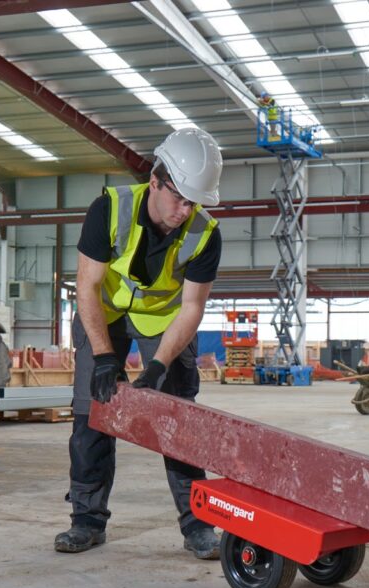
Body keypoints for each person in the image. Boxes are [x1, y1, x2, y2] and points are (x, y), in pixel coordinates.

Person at [54, 127, 224, 560]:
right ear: (156, 181)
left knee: (178, 419)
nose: (185, 210)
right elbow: (87, 287)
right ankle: (87, 521)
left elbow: (191, 309)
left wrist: (159, 366)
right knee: (90, 415)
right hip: (104, 313)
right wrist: (107, 357)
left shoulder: (205, 234)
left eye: (194, 201)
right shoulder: (109, 209)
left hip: (163, 323)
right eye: (179, 198)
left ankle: (198, 524)